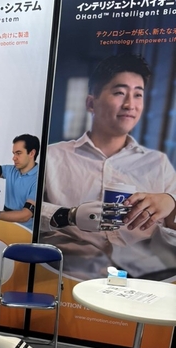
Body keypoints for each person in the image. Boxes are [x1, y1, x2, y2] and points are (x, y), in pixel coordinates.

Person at [41, 53, 176, 280]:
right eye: (119, 93)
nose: (130, 105)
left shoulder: (158, 163)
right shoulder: (52, 157)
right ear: (91, 103)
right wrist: (69, 216)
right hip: (67, 276)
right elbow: (21, 211)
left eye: (138, 94)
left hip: (143, 280)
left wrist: (171, 204)